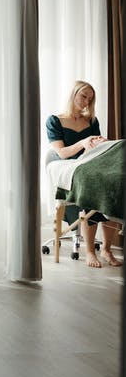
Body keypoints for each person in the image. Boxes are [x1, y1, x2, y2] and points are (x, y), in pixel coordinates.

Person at [45, 80, 121, 268]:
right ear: (74, 94)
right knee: (93, 186)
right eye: (84, 96)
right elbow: (61, 153)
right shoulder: (54, 120)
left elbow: (98, 148)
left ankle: (106, 248)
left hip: (92, 163)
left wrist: (100, 142)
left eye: (90, 99)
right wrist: (83, 142)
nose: (87, 102)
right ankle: (89, 251)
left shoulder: (92, 121)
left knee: (114, 184)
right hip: (70, 165)